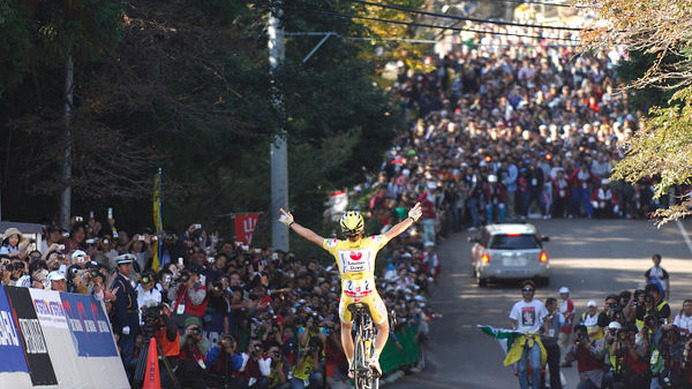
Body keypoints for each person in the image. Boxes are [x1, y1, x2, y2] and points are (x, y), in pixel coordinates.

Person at [278, 203, 422, 377]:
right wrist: (411, 217)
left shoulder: (336, 246)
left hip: (348, 298)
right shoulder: (372, 243)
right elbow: (395, 231)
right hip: (369, 295)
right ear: (362, 229)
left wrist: (291, 223)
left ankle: (352, 363)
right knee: (384, 327)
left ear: (344, 231)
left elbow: (312, 236)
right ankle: (374, 358)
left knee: (346, 328)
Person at [508, 280, 549, 389]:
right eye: (525, 290)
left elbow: (546, 319)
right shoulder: (517, 306)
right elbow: (513, 321)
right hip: (520, 339)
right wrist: (513, 330)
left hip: (534, 338)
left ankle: (535, 387)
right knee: (522, 368)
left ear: (534, 292)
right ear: (521, 292)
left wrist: (546, 331)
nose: (527, 292)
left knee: (536, 367)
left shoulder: (539, 305)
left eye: (530, 290)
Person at [113, 253, 141, 368]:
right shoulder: (119, 283)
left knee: (129, 352)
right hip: (126, 322)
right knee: (126, 353)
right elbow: (120, 306)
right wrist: (124, 324)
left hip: (132, 321)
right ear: (119, 268)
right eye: (124, 265)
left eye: (129, 265)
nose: (128, 268)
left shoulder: (127, 282)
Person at [563, 324, 606, 389]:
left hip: (596, 379)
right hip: (584, 378)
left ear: (586, 334)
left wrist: (588, 346)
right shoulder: (577, 347)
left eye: (581, 335)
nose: (579, 337)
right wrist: (573, 344)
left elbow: (599, 355)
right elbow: (567, 358)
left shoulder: (596, 342)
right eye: (577, 335)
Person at [557, 286, 575, 367]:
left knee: (560, 343)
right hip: (565, 326)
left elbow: (568, 314)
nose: (562, 296)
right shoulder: (564, 303)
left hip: (565, 327)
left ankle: (564, 359)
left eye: (564, 294)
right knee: (564, 343)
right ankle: (567, 359)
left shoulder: (569, 303)